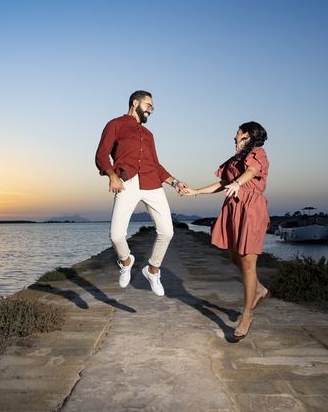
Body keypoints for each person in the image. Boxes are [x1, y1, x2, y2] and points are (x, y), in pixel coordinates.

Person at [181, 121, 269, 339]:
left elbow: (251, 171)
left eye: (239, 135)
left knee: (248, 264)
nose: (235, 138)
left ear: (249, 136)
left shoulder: (259, 153)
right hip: (232, 210)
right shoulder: (234, 160)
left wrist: (238, 184)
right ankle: (259, 289)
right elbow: (221, 183)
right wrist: (196, 192)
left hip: (250, 209)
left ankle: (246, 315)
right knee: (234, 258)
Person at [95, 90, 186, 296]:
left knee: (167, 232)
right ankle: (126, 262)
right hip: (127, 183)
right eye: (148, 105)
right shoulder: (115, 125)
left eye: (153, 107)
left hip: (152, 183)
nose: (151, 110)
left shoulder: (148, 135)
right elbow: (101, 155)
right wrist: (112, 175)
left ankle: (153, 270)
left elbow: (155, 164)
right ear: (135, 103)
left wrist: (175, 182)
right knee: (116, 236)